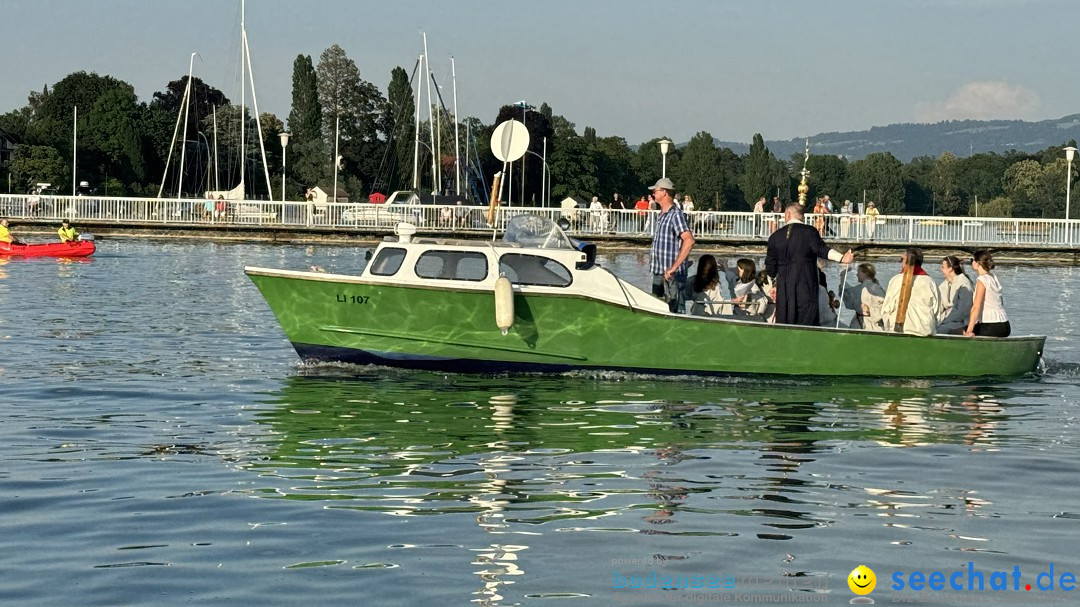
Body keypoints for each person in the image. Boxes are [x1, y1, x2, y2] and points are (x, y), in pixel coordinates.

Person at [765, 203, 853, 326]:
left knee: (784, 321)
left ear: (788, 214)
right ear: (802, 216)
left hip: (784, 287)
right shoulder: (809, 232)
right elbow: (822, 250)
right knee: (806, 320)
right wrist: (842, 258)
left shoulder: (775, 237)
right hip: (805, 284)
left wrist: (774, 282)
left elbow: (770, 268)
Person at [649, 177, 696, 313]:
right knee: (656, 310)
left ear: (664, 192)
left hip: (672, 277)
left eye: (655, 191)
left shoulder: (676, 215)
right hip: (659, 272)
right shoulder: (662, 214)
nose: (653, 194)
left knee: (675, 311)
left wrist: (674, 267)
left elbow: (689, 240)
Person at [881, 248, 942, 336]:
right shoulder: (930, 282)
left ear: (906, 260)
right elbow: (937, 312)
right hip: (924, 331)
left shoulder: (896, 280)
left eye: (902, 260)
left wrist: (888, 326)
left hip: (899, 331)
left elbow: (886, 309)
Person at [964, 250, 1010, 338]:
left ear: (977, 263)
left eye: (971, 260)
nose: (971, 263)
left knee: (963, 330)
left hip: (992, 325)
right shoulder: (993, 277)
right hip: (1005, 324)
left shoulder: (982, 280)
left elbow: (976, 307)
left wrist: (969, 331)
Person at [840, 263, 886, 330]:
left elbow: (847, 293)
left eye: (859, 272)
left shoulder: (866, 288)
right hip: (872, 323)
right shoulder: (877, 287)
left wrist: (842, 276)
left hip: (867, 324)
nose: (857, 275)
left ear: (866, 273)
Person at [938, 255, 974, 335]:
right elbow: (939, 307)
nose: (941, 269)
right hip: (946, 320)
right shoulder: (943, 286)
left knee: (938, 330)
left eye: (943, 267)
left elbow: (963, 311)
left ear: (950, 269)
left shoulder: (964, 283)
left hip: (961, 323)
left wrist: (943, 320)